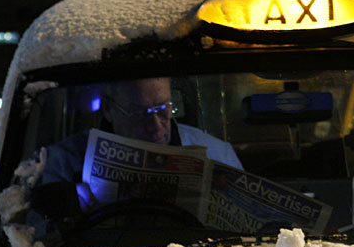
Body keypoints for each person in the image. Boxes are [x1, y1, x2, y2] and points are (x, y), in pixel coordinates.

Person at [41, 77, 242, 188]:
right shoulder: (62, 163)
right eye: (138, 113)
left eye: (163, 109)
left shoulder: (218, 154)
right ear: (108, 110)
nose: (155, 126)